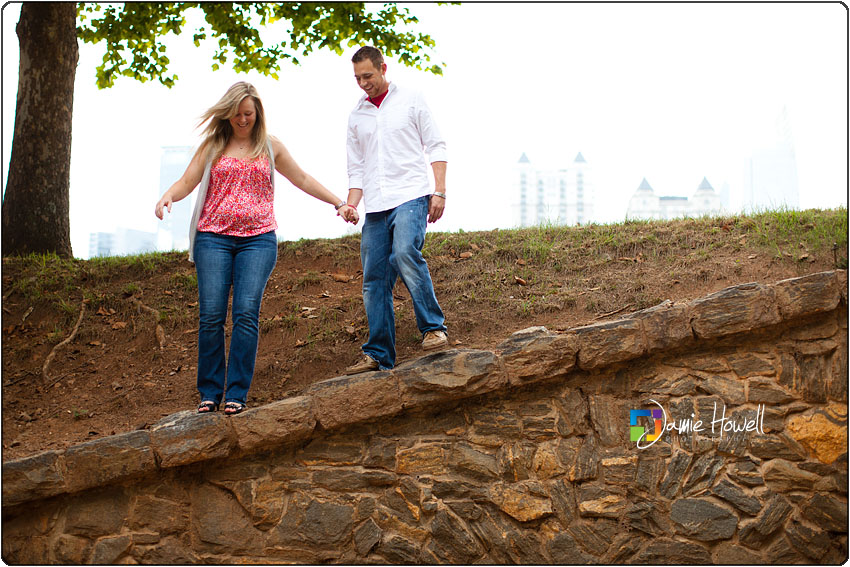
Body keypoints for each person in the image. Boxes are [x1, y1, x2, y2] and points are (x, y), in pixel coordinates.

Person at [155, 82, 358, 414]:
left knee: (246, 313)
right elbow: (187, 181)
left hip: (257, 240)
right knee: (211, 316)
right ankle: (209, 392)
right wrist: (168, 196)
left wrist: (339, 203)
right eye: (236, 114)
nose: (242, 120)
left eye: (248, 113)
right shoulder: (213, 145)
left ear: (257, 113)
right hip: (213, 239)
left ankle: (236, 392)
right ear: (226, 114)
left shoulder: (269, 146)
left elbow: (302, 178)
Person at [342, 46, 449, 375]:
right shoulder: (356, 116)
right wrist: (351, 203)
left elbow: (436, 145)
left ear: (383, 68)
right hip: (375, 206)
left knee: (405, 252)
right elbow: (357, 168)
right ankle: (379, 353)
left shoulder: (412, 99)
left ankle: (433, 328)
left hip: (412, 195)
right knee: (374, 279)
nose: (363, 83)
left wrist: (440, 191)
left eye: (368, 76)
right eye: (358, 78)